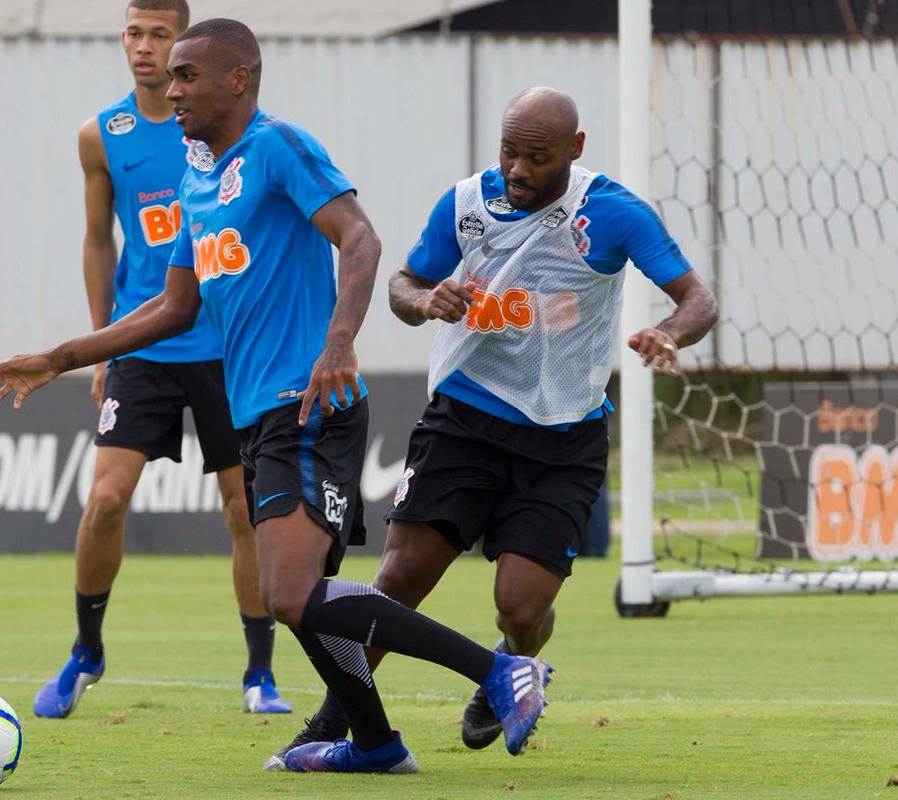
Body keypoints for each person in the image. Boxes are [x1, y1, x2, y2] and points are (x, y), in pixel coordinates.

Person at [0, 19, 550, 774]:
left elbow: (361, 239)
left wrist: (338, 342)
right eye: (168, 76)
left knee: (289, 590)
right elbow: (173, 309)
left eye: (186, 76)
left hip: (307, 402)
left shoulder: (277, 147)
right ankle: (373, 742)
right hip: (259, 414)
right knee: (303, 595)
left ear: (238, 79)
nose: (170, 90)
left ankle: (500, 673)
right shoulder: (196, 177)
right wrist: (60, 355)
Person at [269, 86, 718, 758]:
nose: (518, 169)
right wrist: (427, 299)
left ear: (575, 150)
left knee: (522, 606)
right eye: (510, 151)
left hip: (565, 437)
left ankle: (509, 664)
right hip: (466, 421)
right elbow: (400, 286)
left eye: (537, 157)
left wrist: (671, 333)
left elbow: (697, 298)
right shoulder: (465, 205)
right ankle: (338, 721)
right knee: (399, 578)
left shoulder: (613, 214)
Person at [30, 0, 291, 720]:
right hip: (143, 341)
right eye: (133, 34)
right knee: (106, 498)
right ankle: (86, 650)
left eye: (159, 36)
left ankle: (259, 673)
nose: (144, 50)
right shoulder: (102, 136)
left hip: (223, 348)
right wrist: (98, 346)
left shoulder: (220, 130)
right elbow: (96, 239)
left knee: (242, 511)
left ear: (186, 46)